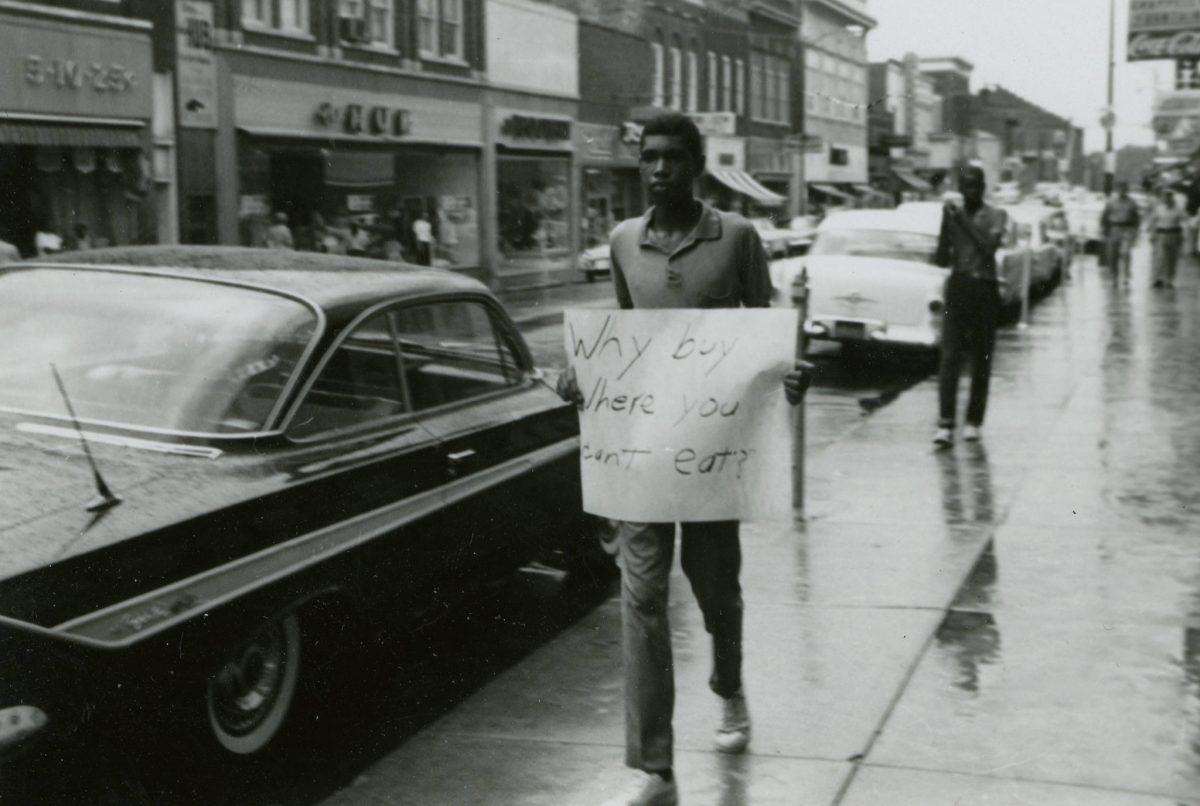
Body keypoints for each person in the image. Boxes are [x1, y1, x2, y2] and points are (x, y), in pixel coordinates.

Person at [557, 113, 810, 806]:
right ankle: (655, 767)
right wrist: (584, 376)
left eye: (672, 158)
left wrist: (788, 373)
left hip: (710, 455)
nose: (659, 169)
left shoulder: (738, 239)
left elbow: (766, 336)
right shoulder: (621, 243)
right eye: (649, 159)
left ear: (697, 164)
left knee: (716, 594)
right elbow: (624, 341)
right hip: (643, 454)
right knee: (639, 601)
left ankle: (729, 689)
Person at [932, 165, 1009, 448]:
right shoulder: (953, 216)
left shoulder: (997, 215)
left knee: (981, 358)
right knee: (949, 356)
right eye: (967, 186)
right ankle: (945, 422)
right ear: (961, 188)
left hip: (984, 287)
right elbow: (941, 259)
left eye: (977, 186)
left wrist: (961, 221)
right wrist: (945, 225)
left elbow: (988, 248)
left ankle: (974, 421)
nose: (972, 191)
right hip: (959, 285)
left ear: (984, 187)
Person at [1100, 182, 1140, 287]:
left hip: (1127, 229)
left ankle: (1126, 275)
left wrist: (1135, 232)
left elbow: (1136, 218)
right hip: (1114, 229)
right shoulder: (1111, 202)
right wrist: (1104, 229)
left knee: (1125, 252)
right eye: (1120, 189)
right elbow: (1104, 216)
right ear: (1117, 190)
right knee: (1112, 255)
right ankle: (1114, 277)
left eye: (1124, 189)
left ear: (1127, 190)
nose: (1122, 191)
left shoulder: (1132, 203)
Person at [1147, 189, 1185, 289]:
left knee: (1172, 259)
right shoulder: (1159, 209)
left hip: (1174, 234)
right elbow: (1152, 221)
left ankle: (1169, 279)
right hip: (1161, 235)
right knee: (1160, 257)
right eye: (1166, 196)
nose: (1168, 198)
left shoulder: (1178, 209)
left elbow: (1184, 221)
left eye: (1170, 196)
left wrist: (1183, 236)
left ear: (1172, 197)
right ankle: (1158, 279)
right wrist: (1151, 233)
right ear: (1163, 198)